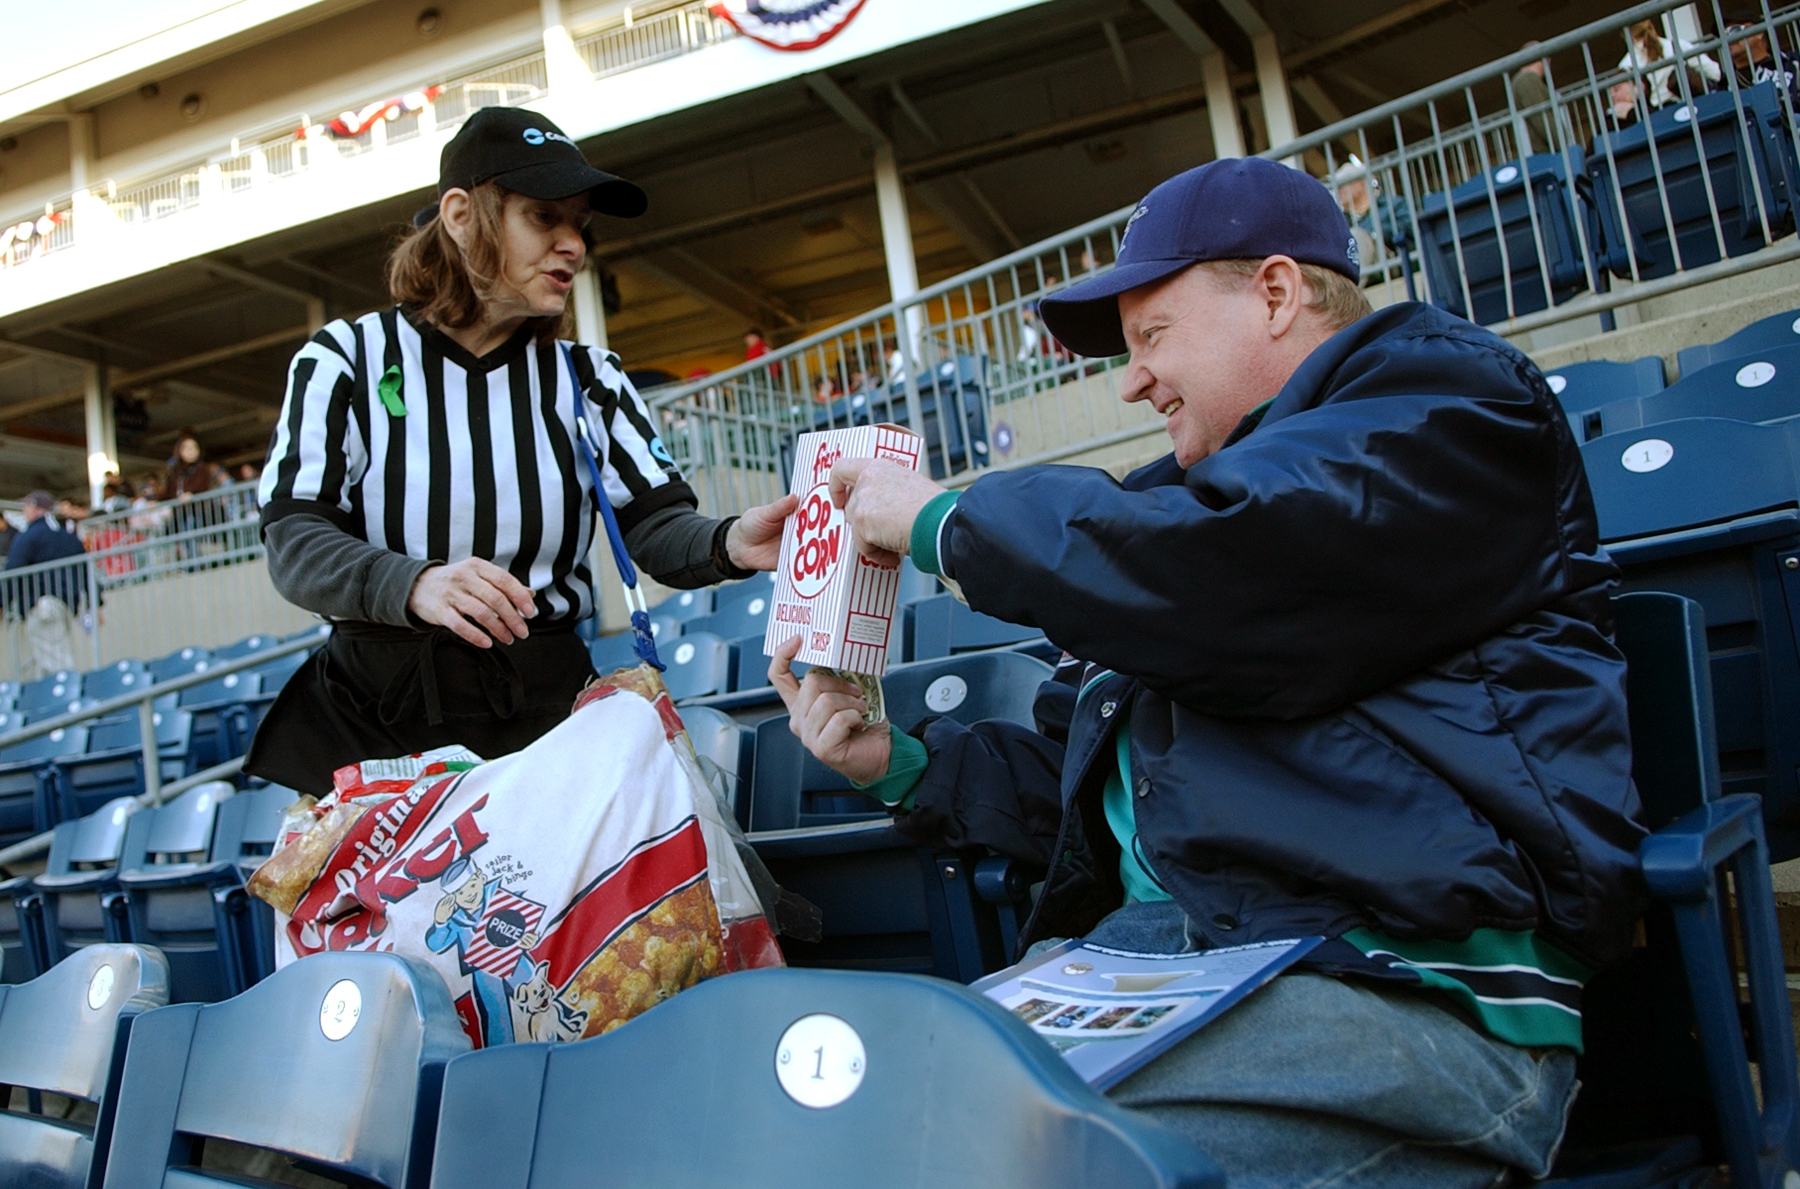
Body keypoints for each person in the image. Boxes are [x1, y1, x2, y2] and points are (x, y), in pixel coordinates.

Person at [771, 158, 1646, 1188]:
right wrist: (901, 761)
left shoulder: (1445, 402)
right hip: (1155, 969)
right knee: (865, 1133)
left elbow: (1233, 568)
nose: (1132, 378)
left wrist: (944, 521)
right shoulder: (1163, 516)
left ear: (1276, 292)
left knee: (1011, 1164)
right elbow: (1087, 791)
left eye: (1152, 336)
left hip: (1399, 985)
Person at [246, 106, 794, 794]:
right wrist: (413, 582)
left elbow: (652, 526)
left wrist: (728, 541)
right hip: (379, 717)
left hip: (547, 713)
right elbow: (294, 539)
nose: (573, 244)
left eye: (581, 225)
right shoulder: (346, 359)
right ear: (460, 213)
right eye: (544, 217)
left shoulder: (589, 376)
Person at [6, 491, 91, 677]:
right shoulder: (67, 536)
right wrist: (95, 603)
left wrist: (2, 602)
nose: (25, 511)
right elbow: (86, 570)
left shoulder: (29, 535)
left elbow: (13, 569)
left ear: (36, 508)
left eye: (27, 506)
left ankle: (71, 697)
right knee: (47, 663)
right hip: (66, 604)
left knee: (57, 662)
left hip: (42, 605)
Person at [1620, 17, 1721, 108]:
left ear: (1629, 38)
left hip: (1657, 117)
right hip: (1692, 106)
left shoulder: (1626, 64)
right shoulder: (1677, 45)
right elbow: (1715, 73)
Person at [1723, 10, 1800, 109]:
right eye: (1723, 35)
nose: (1728, 38)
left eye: (1735, 30)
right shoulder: (1725, 84)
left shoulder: (1791, 62)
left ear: (1758, 33)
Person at [1511, 43, 1555, 154]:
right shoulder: (1527, 79)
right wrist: (1563, 144)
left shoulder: (1521, 80)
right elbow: (1540, 117)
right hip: (1541, 151)